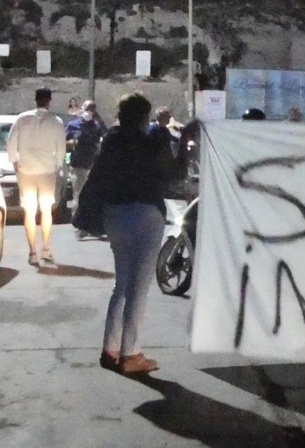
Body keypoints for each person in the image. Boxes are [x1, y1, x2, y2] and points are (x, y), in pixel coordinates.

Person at [92, 93, 188, 374]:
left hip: (114, 214)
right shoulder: (151, 142)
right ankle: (131, 354)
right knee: (139, 288)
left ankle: (110, 349)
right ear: (144, 117)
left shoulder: (110, 140)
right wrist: (181, 143)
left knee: (121, 284)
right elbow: (176, 174)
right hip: (145, 215)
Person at [6, 87, 67, 265]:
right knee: (46, 209)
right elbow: (61, 149)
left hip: (26, 170)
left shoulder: (22, 119)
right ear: (49, 101)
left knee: (29, 210)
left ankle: (32, 251)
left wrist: (15, 164)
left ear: (35, 99)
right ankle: (46, 248)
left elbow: (11, 144)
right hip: (46, 170)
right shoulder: (56, 121)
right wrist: (56, 165)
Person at [66, 100, 106, 238]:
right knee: (79, 195)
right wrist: (71, 143)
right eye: (88, 108)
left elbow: (103, 138)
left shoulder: (96, 125)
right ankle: (79, 226)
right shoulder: (73, 125)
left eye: (93, 108)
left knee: (93, 196)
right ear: (82, 109)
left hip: (93, 165)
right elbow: (64, 141)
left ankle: (91, 225)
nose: (90, 110)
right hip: (78, 165)